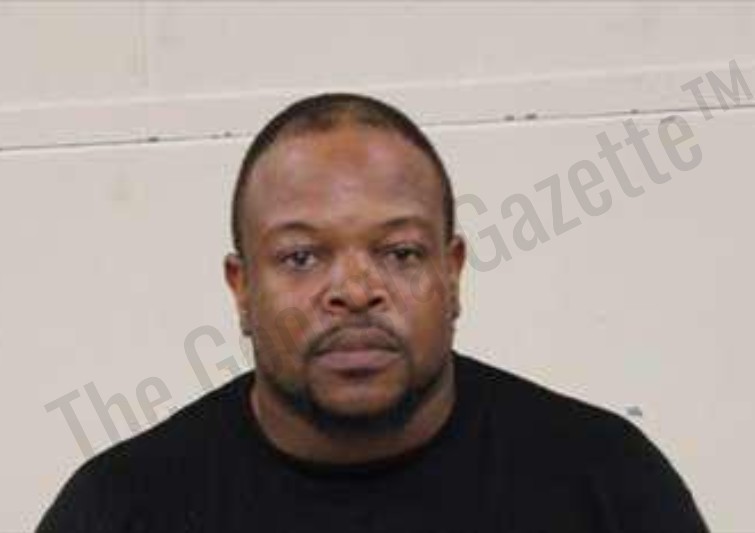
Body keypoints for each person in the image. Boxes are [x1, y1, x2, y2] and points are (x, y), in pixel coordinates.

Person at [37, 93, 709, 533]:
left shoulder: (606, 486)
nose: (356, 290)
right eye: (302, 256)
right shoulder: (121, 510)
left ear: (452, 273)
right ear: (241, 288)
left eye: (400, 252)